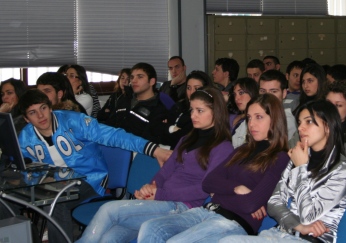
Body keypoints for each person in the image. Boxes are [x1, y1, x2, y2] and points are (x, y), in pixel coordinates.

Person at [77, 87, 234, 243]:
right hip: (162, 201)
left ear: (216, 112)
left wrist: (159, 194)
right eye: (192, 110)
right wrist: (150, 187)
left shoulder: (223, 148)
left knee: (108, 210)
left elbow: (205, 188)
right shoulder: (186, 139)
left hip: (183, 208)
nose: (193, 115)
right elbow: (166, 170)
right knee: (109, 237)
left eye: (200, 111)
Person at [11, 89, 170, 242]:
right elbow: (18, 163)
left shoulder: (74, 121)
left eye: (43, 108)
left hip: (89, 180)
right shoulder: (25, 138)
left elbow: (114, 135)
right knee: (7, 198)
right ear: (26, 119)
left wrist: (154, 150)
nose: (40, 115)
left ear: (50, 107)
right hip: (54, 185)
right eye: (32, 113)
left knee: (54, 202)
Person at [137, 94, 290, 242]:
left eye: (259, 117)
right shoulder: (241, 150)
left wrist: (220, 194)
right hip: (208, 210)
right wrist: (237, 188)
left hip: (234, 221)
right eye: (249, 117)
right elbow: (209, 182)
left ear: (275, 120)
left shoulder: (280, 157)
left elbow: (250, 204)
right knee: (151, 227)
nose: (251, 124)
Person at [220, 100, 346, 243]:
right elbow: (274, 203)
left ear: (328, 126)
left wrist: (301, 168)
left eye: (308, 122)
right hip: (282, 233)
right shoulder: (298, 157)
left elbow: (309, 216)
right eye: (299, 122)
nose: (301, 128)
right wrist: (298, 226)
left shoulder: (343, 170)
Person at [105, 62, 174, 145]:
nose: (134, 80)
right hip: (113, 146)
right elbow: (110, 124)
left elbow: (153, 139)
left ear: (152, 81)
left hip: (139, 152)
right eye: (132, 77)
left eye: (140, 77)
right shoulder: (124, 100)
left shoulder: (159, 109)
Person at [162, 70, 214, 149]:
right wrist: (173, 129)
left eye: (197, 88)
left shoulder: (205, 113)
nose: (191, 92)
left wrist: (168, 128)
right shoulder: (180, 105)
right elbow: (158, 126)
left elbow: (183, 139)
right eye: (188, 88)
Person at [258, 70, 297, 141]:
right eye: (263, 91)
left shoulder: (287, 121)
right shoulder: (253, 116)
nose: (267, 96)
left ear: (284, 93)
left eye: (273, 91)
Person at [229, 77, 259, 148]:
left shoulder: (259, 121)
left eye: (241, 93)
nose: (236, 98)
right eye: (235, 94)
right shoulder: (239, 119)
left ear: (252, 93)